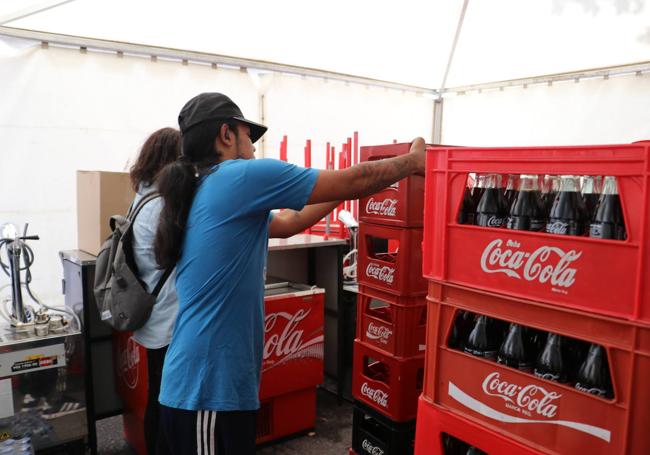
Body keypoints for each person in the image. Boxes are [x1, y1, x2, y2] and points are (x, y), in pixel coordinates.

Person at [154, 92, 426, 455]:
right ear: (226, 135)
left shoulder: (211, 189)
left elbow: (288, 222)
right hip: (205, 391)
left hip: (209, 389)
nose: (253, 145)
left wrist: (360, 189)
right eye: (249, 135)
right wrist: (412, 161)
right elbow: (350, 180)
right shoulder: (238, 178)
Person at [129, 127, 182, 455]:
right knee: (168, 404)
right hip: (167, 320)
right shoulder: (162, 203)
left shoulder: (141, 195)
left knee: (156, 398)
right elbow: (175, 253)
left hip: (151, 315)